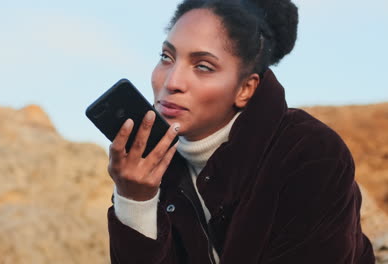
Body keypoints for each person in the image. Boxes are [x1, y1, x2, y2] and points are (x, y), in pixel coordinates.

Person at [106, 0, 375, 263]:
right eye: (167, 57)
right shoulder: (149, 173)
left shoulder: (311, 153)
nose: (172, 81)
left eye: (203, 66)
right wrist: (135, 201)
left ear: (245, 89)